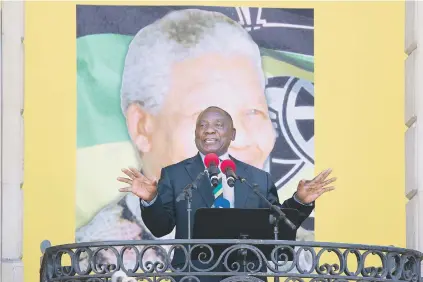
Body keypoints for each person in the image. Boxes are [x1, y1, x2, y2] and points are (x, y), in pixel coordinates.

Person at [118, 106, 335, 281]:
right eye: (202, 125)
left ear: (232, 134)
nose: (209, 130)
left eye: (218, 125)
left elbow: (276, 225)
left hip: (247, 274)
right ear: (196, 134)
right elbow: (160, 226)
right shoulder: (175, 175)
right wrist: (151, 199)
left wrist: (300, 202)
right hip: (194, 276)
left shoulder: (258, 178)